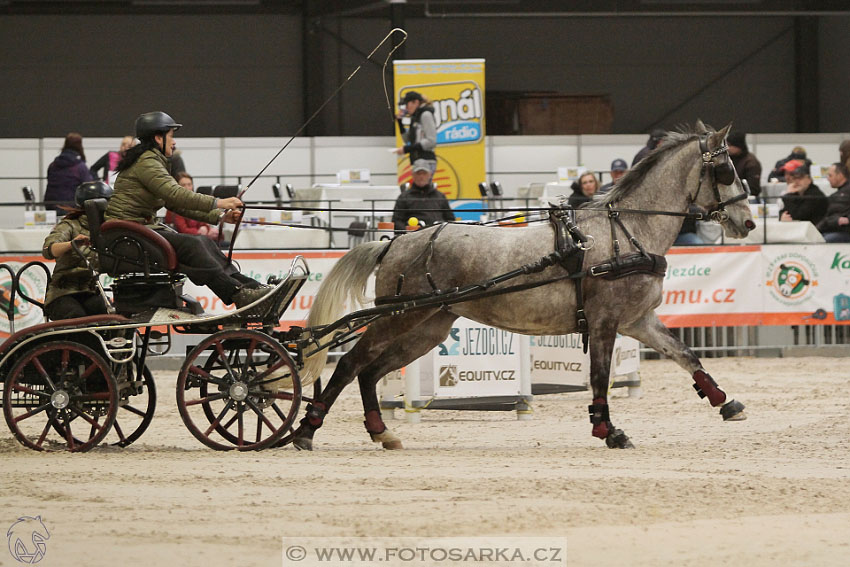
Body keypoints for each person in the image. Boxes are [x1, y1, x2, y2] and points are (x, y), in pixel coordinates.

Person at [105, 111, 268, 308]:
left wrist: (220, 216)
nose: (174, 142)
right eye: (171, 136)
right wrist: (219, 202)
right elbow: (176, 194)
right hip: (128, 235)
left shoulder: (150, 160)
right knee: (192, 245)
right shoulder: (147, 162)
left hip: (136, 231)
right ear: (158, 137)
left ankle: (249, 287)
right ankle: (237, 293)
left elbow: (174, 204)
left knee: (203, 241)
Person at [41, 181, 114, 321]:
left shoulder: (106, 229)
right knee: (76, 318)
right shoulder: (69, 225)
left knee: (113, 318)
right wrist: (72, 244)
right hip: (62, 294)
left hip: (89, 291)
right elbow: (48, 250)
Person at [392, 159, 455, 232]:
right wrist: (408, 232)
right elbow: (396, 221)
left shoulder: (440, 196)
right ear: (413, 175)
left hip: (438, 237)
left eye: (424, 173)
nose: (421, 176)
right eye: (418, 173)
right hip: (413, 238)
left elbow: (450, 219)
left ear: (430, 175)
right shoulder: (404, 197)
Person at [44, 133, 94, 211]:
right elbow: (88, 186)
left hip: (50, 206)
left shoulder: (53, 165)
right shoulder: (79, 166)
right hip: (69, 206)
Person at [165, 172, 220, 241]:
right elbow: (182, 230)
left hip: (199, 238)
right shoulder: (174, 206)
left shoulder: (195, 203)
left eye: (189, 184)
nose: (187, 188)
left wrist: (206, 229)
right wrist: (200, 232)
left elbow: (203, 222)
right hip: (186, 240)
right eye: (183, 185)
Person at [394, 91, 437, 174]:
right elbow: (407, 140)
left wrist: (407, 149)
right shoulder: (415, 118)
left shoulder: (425, 115)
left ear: (416, 102)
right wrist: (400, 122)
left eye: (407, 104)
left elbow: (431, 141)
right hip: (417, 160)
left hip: (426, 160)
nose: (406, 108)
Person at [816, 163, 850, 243]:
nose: (828, 179)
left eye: (830, 175)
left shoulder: (845, 193)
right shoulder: (835, 195)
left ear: (840, 175)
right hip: (831, 229)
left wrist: (848, 219)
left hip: (844, 231)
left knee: (823, 241)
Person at [726, 131, 762, 199]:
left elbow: (753, 189)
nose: (727, 148)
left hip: (746, 198)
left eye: (730, 145)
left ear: (738, 146)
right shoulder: (728, 159)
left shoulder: (751, 162)